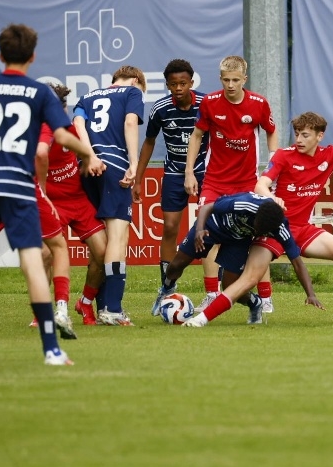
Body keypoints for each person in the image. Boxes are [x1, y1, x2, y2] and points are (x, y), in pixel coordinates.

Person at [0, 23, 105, 366]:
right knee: (37, 257)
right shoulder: (38, 92)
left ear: (0, 55)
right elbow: (62, 136)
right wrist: (87, 154)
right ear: (33, 56)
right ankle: (51, 349)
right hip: (17, 184)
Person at [185, 112, 333, 327]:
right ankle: (202, 319)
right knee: (249, 278)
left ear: (319, 136)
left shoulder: (330, 155)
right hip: (275, 229)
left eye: (305, 135)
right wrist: (272, 199)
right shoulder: (284, 156)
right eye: (297, 134)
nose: (299, 139)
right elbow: (261, 184)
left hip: (303, 229)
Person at [180, 55, 279, 313]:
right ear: (220, 79)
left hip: (247, 183)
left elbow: (271, 131)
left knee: (257, 238)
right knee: (207, 235)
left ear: (245, 79)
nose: (231, 85)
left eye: (236, 80)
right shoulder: (210, 102)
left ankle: (265, 297)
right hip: (214, 182)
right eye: (226, 80)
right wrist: (189, 172)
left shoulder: (259, 103)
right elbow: (197, 135)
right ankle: (212, 294)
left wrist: (272, 166)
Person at [134, 59, 220, 316]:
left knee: (211, 228)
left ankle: (214, 291)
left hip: (206, 172)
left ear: (191, 82)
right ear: (167, 85)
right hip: (173, 173)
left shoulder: (206, 104)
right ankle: (167, 288)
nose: (178, 88)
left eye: (183, 83)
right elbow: (149, 142)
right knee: (170, 227)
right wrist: (138, 179)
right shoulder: (160, 108)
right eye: (173, 84)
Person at [159, 192, 322, 325]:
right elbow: (208, 207)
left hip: (238, 240)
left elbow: (297, 263)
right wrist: (199, 230)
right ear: (256, 217)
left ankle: (255, 303)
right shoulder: (245, 204)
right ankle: (166, 290)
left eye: (264, 232)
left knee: (230, 286)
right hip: (213, 225)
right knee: (177, 265)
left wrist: (311, 294)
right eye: (258, 228)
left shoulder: (280, 228)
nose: (259, 233)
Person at [72, 66, 146, 326]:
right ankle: (113, 309)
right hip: (114, 166)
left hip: (87, 168)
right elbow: (130, 122)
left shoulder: (86, 97)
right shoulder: (132, 93)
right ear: (135, 80)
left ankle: (98, 303)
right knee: (117, 237)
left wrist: (90, 155)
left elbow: (77, 125)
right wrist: (134, 164)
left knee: (102, 243)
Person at [37, 83, 108, 326]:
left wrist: (89, 161)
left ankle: (85, 303)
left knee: (103, 252)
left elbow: (85, 153)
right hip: (52, 202)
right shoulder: (38, 131)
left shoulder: (70, 129)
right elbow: (37, 157)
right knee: (45, 254)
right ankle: (42, 312)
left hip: (77, 199)